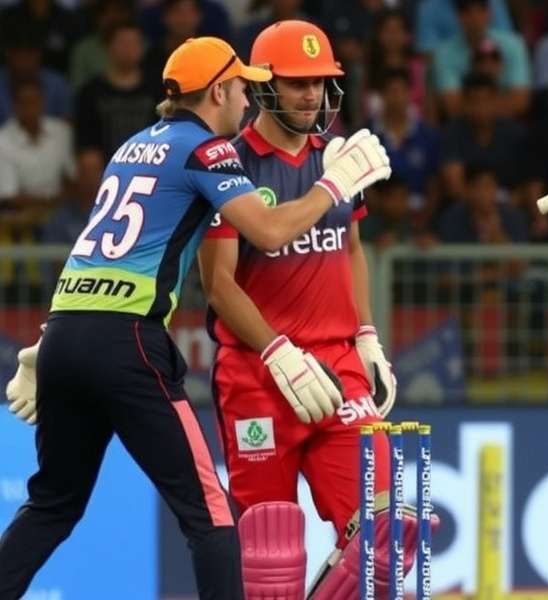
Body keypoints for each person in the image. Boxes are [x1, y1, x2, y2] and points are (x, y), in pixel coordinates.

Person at [1, 35, 390, 600]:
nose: (248, 100)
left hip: (67, 328)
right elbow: (269, 232)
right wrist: (334, 184)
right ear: (218, 91)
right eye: (241, 88)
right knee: (212, 516)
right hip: (129, 343)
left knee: (52, 505)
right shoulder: (210, 151)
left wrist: (49, 344)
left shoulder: (131, 146)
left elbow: (101, 252)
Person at [197, 20, 420, 599]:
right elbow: (219, 285)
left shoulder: (340, 158)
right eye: (298, 83)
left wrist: (366, 335)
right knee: (268, 559)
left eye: (320, 82)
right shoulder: (227, 164)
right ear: (263, 86)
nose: (311, 95)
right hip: (257, 374)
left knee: (387, 536)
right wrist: (276, 351)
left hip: (338, 369)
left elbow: (351, 246)